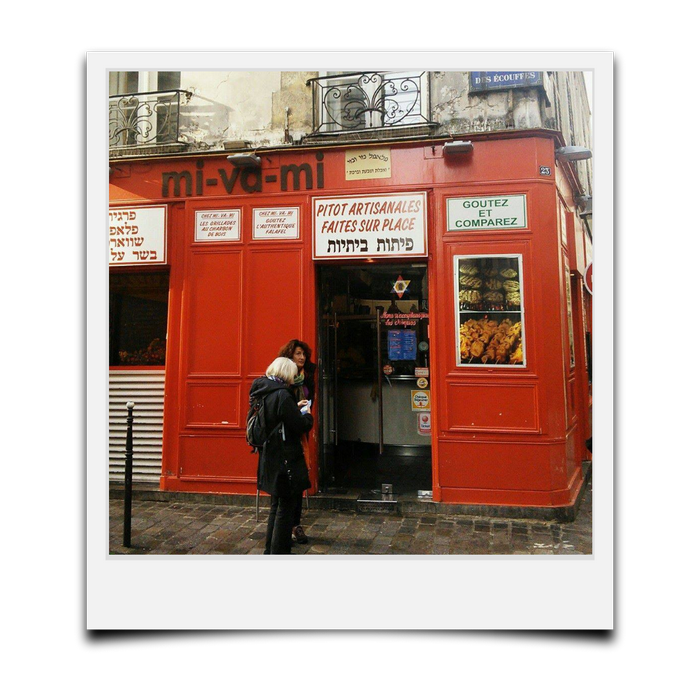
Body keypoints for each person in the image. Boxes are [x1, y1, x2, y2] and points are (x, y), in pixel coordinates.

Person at [250, 357, 313, 555]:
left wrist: (294, 408)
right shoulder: (282, 395)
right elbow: (300, 425)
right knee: (285, 508)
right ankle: (279, 552)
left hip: (269, 455)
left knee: (275, 507)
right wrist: (307, 414)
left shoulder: (262, 391)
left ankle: (270, 551)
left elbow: (276, 418)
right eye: (293, 373)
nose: (295, 377)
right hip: (285, 458)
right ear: (286, 373)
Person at [278, 339, 316, 545]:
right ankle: (285, 525)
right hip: (286, 433)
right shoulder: (283, 379)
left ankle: (295, 524)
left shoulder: (307, 378)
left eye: (304, 354)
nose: (301, 358)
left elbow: (312, 400)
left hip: (301, 430)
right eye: (298, 354)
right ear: (289, 356)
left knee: (300, 477)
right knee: (289, 479)